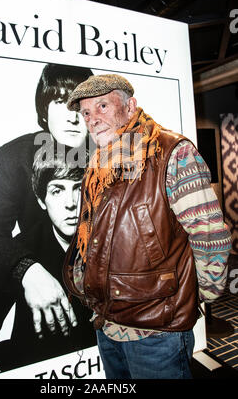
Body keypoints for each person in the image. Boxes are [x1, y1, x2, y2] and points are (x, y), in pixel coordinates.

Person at [62, 73, 232, 380]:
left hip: (156, 332)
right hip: (107, 322)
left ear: (129, 107)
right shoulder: (97, 164)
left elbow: (211, 236)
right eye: (86, 112)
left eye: (102, 106)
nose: (92, 118)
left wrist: (193, 296)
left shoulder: (172, 153)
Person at [0, 63, 94, 379]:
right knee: (6, 265)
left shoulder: (114, 154)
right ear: (44, 109)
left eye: (82, 104)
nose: (74, 115)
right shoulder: (18, 155)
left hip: (102, 272)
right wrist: (28, 272)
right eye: (63, 102)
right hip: (43, 270)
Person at [0, 144, 95, 374]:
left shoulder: (114, 239)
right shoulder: (21, 249)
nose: (70, 203)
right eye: (57, 191)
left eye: (79, 189)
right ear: (42, 201)